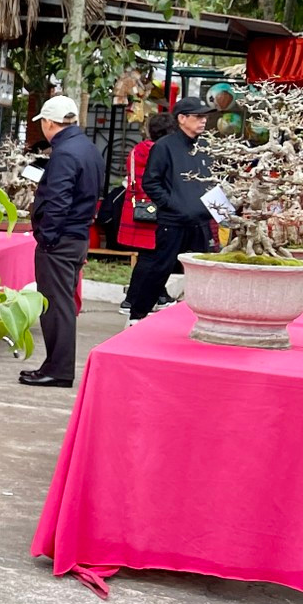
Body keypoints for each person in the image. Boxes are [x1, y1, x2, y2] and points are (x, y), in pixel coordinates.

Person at [20, 95, 105, 388]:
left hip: (61, 238)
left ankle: (58, 369)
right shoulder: (87, 148)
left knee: (56, 306)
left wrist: (47, 237)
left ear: (48, 123)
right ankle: (56, 365)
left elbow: (58, 199)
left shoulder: (65, 152)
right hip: (77, 234)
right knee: (63, 304)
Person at [125, 96, 216, 321]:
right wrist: (173, 205)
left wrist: (223, 213)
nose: (203, 121)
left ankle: (200, 318)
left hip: (200, 222)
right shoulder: (165, 146)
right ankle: (137, 315)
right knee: (159, 269)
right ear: (182, 118)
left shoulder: (206, 147)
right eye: (198, 116)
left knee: (203, 272)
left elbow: (214, 181)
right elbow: (151, 182)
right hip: (172, 221)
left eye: (205, 116)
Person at [117, 113, 175, 312]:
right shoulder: (164, 152)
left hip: (139, 207)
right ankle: (133, 299)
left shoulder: (136, 151)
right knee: (152, 256)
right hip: (158, 208)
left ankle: (159, 295)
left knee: (149, 255)